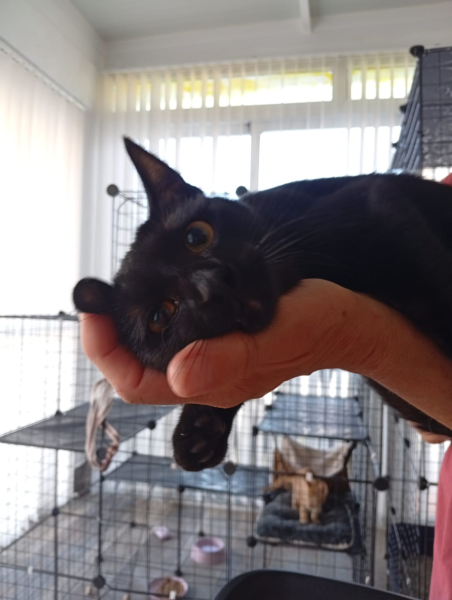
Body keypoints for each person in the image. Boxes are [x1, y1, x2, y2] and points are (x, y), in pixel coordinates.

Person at [79, 179, 452, 600]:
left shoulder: (285, 223)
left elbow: (385, 204)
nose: (208, 284)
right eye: (161, 316)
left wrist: (372, 340)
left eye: (198, 238)